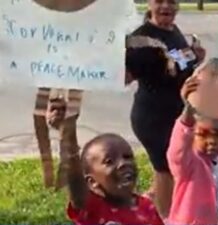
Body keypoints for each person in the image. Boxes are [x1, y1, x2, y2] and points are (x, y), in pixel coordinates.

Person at [125, 0, 206, 218]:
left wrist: (194, 56)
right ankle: (165, 218)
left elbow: (175, 62)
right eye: (159, 1)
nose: (166, 6)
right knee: (166, 169)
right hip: (152, 117)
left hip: (174, 114)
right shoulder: (140, 40)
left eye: (172, 1)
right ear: (150, 3)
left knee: (167, 168)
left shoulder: (172, 30)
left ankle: (148, 207)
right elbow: (124, 76)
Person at [45, 98, 164, 225]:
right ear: (92, 182)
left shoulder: (147, 207)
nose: (124, 163)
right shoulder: (92, 207)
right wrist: (67, 132)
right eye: (109, 161)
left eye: (128, 156)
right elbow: (75, 181)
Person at [166, 58, 218, 225]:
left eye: (217, 135)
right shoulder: (188, 162)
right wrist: (189, 108)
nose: (211, 141)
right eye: (203, 134)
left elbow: (213, 188)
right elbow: (177, 151)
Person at [32, 0, 90, 189]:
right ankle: (50, 177)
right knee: (40, 114)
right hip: (48, 51)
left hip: (78, 54)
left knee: (69, 117)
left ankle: (66, 177)